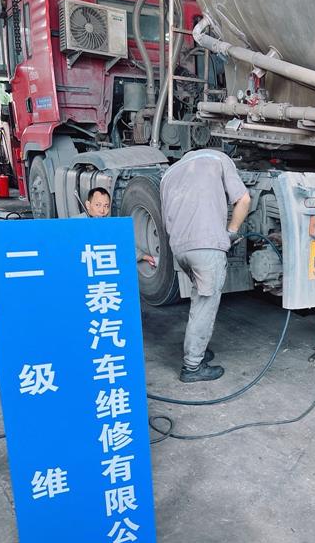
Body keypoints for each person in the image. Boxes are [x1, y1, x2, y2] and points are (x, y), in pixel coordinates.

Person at [160, 148, 251, 383]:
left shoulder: (169, 173)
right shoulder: (218, 158)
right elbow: (243, 200)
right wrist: (231, 232)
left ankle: (196, 350)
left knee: (199, 300)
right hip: (206, 247)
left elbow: (166, 219)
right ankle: (192, 367)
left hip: (180, 248)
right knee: (204, 306)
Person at [76, 187, 155, 267]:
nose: (102, 211)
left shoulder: (108, 226)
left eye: (106, 206)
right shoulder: (74, 224)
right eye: (98, 205)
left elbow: (121, 245)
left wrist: (143, 256)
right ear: (88, 205)